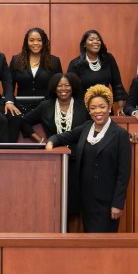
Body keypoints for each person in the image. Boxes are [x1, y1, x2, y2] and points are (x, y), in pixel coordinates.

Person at [46, 84, 131, 233]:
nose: (98, 111)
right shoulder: (86, 128)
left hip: (107, 203)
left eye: (102, 107)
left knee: (104, 243)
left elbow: (123, 174)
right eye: (93, 108)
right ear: (89, 110)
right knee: (89, 240)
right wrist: (50, 142)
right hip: (85, 200)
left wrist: (118, 204)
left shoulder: (120, 134)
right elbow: (62, 137)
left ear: (109, 107)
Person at [22, 72, 89, 231]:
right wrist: (40, 141)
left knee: (74, 205)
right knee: (52, 202)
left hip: (78, 160)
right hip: (53, 161)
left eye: (67, 85)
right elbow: (24, 122)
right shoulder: (46, 105)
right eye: (59, 85)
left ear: (73, 87)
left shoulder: (83, 105)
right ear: (54, 88)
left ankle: (72, 240)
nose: (63, 89)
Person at [66, 29, 127, 114]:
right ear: (84, 44)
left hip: (104, 109)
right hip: (83, 110)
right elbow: (70, 89)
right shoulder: (76, 64)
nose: (95, 42)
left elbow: (117, 84)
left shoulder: (108, 59)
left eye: (98, 40)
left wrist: (121, 107)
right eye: (91, 40)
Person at [10, 28, 62, 113]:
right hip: (21, 108)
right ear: (26, 42)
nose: (35, 43)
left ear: (44, 42)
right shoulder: (16, 60)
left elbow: (59, 86)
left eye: (39, 40)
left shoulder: (54, 61)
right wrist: (10, 102)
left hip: (47, 108)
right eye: (31, 40)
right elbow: (9, 85)